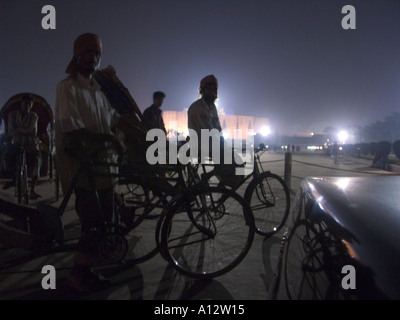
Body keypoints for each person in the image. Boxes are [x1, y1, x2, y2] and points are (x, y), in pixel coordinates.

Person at [55, 33, 123, 292]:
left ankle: (90, 269)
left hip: (105, 169)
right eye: (88, 53)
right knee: (91, 223)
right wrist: (110, 140)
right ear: (77, 55)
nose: (93, 58)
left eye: (97, 54)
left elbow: (114, 120)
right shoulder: (67, 87)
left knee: (106, 221)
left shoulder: (99, 92)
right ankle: (78, 274)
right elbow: (72, 131)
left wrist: (123, 136)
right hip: (81, 170)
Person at [2, 94, 41, 199]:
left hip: (30, 142)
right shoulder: (12, 115)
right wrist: (24, 131)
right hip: (16, 141)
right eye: (25, 103)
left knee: (36, 157)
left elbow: (33, 131)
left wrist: (19, 130)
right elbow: (10, 131)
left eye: (29, 104)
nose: (27, 105)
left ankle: (32, 189)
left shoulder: (34, 116)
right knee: (6, 154)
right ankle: (13, 177)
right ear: (21, 104)